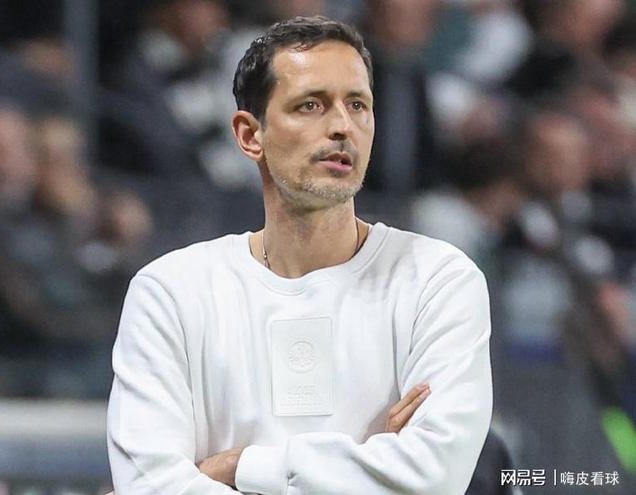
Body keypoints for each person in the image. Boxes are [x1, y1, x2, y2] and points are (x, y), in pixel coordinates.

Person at [107, 16, 492, 494]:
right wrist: (363, 470)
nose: (342, 127)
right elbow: (149, 486)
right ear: (250, 135)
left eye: (358, 105)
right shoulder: (170, 291)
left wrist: (238, 467)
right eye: (311, 105)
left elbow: (432, 477)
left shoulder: (439, 280)